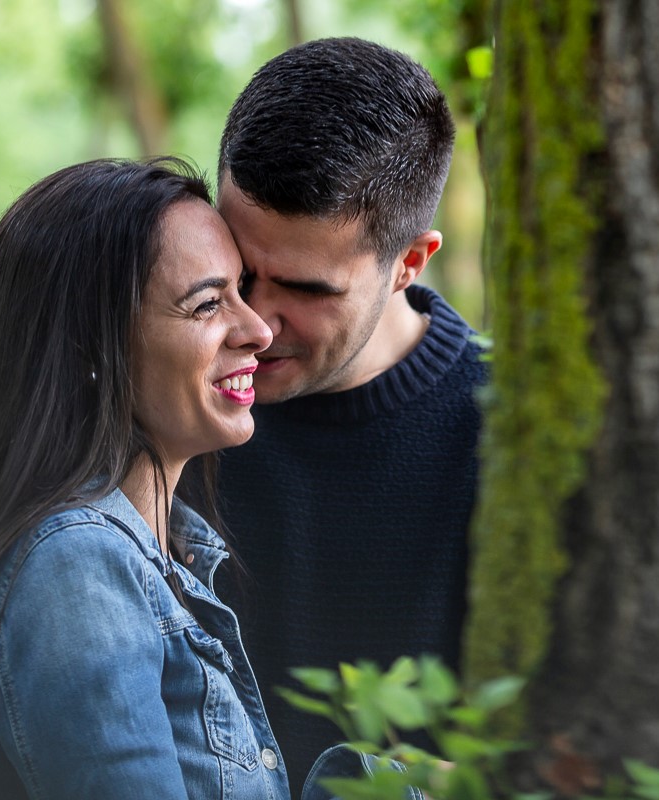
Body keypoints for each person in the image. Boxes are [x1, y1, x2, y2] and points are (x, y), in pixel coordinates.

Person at [0, 158, 291, 799]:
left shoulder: (159, 550)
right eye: (207, 304)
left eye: (242, 292)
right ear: (93, 351)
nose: (258, 330)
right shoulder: (77, 566)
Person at [212, 37, 486, 789]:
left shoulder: (510, 435)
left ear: (409, 263)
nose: (255, 321)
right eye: (238, 266)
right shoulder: (173, 400)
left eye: (305, 288)